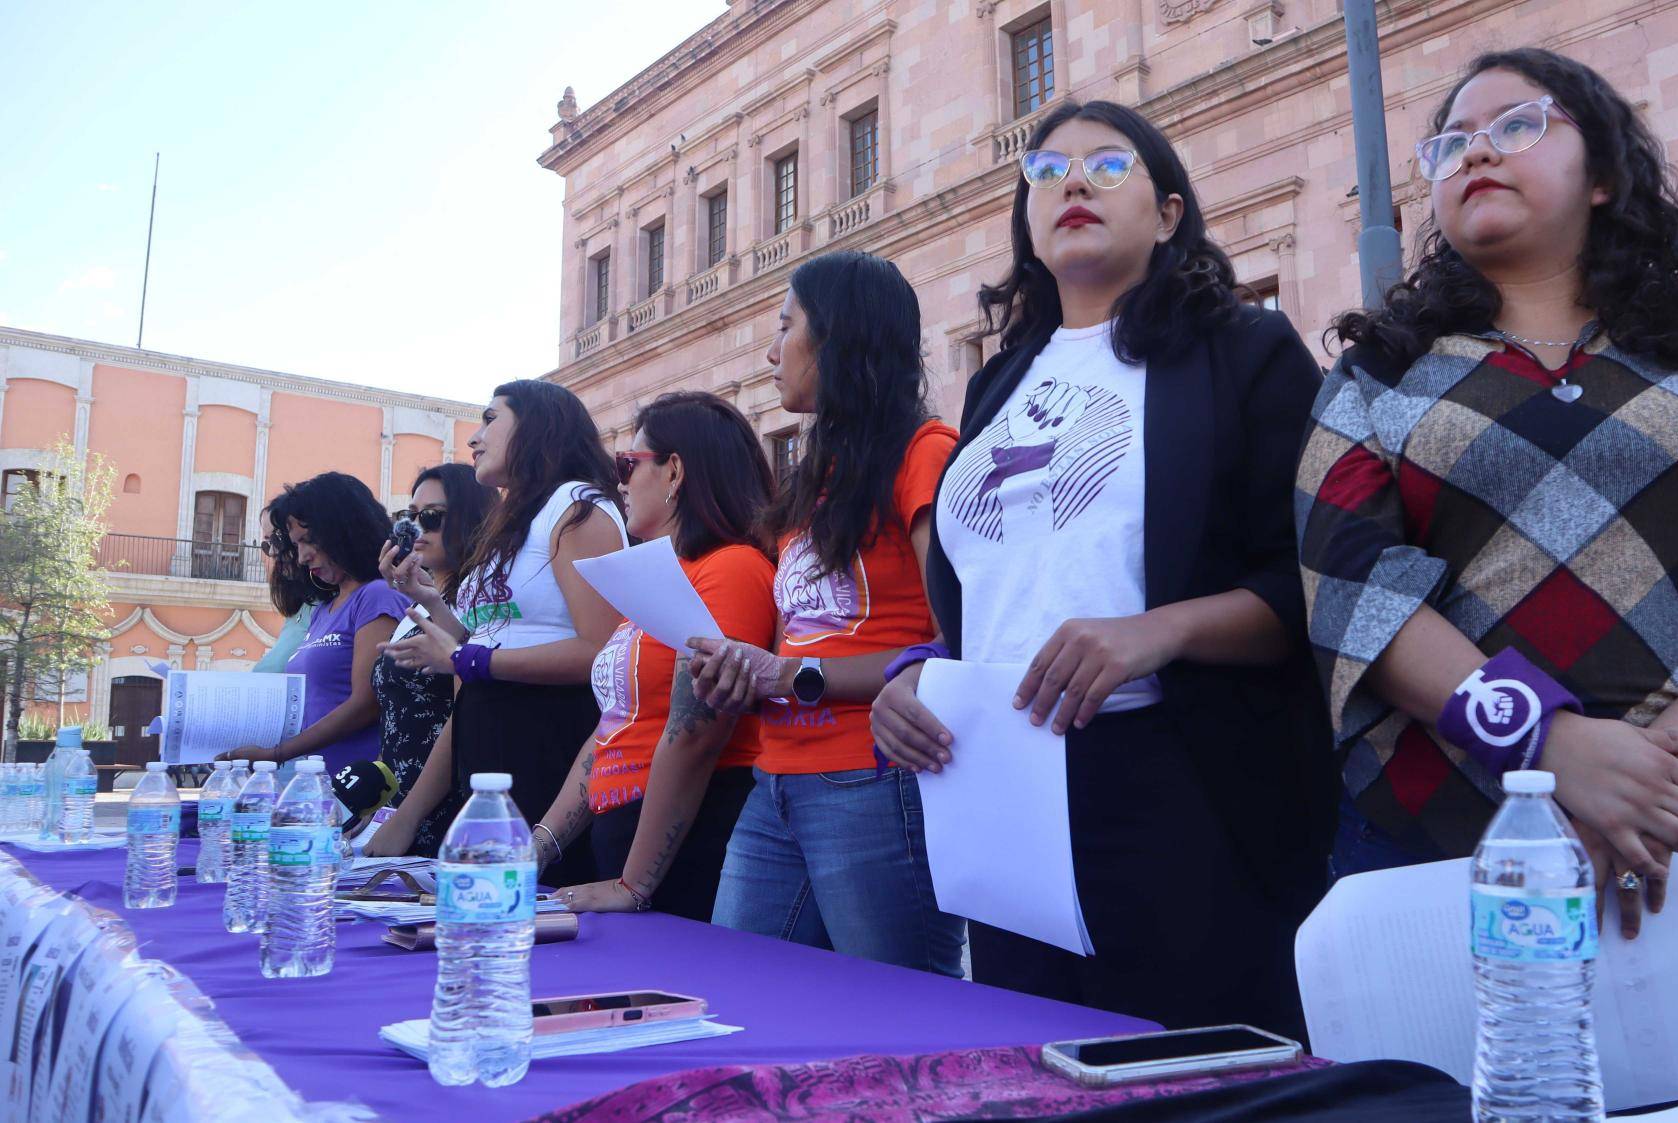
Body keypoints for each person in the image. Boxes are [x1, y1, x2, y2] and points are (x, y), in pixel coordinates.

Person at [1295, 48, 1678, 1088]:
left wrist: (1648, 779)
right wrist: (1547, 746)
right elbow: (1350, 588)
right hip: (1435, 846)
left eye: (1516, 125)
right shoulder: (1371, 375)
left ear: (1601, 171)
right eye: (1451, 141)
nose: (1475, 152)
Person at [868, 100, 1332, 1038]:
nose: (1072, 182)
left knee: (1191, 1078)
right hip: (1003, 793)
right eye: (1046, 172)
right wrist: (918, 675)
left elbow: (1315, 583)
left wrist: (1162, 631)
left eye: (1107, 166)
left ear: (1167, 214)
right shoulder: (1001, 382)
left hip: (1176, 785)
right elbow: (1004, 585)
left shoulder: (1244, 351)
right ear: (1028, 224)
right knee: (1029, 1072)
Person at [685, 250, 965, 977]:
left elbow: (956, 637)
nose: (772, 353)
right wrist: (740, 671)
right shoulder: (810, 480)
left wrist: (790, 671)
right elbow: (800, 641)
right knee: (735, 993)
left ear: (839, 337)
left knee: (903, 1019)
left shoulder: (924, 451)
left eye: (787, 327)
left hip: (875, 780)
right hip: (775, 779)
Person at [368, 380, 627, 886]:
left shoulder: (578, 508)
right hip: (487, 753)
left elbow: (602, 652)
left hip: (549, 746)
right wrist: (427, 599)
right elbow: (484, 642)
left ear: (536, 427)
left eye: (490, 419)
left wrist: (474, 663)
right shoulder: (514, 522)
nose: (474, 437)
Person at [533, 392, 777, 917]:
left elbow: (697, 735)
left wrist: (634, 884)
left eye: (629, 463)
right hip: (628, 833)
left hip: (688, 837)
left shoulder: (732, 568)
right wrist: (542, 844)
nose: (618, 481)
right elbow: (615, 726)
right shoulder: (666, 579)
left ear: (674, 472)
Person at [221, 473, 410, 772]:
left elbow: (366, 703)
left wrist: (276, 753)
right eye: (296, 545)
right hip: (315, 782)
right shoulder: (324, 609)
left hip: (358, 784)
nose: (301, 557)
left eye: (308, 541)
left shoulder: (377, 596)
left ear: (344, 529)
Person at [368, 463, 496, 856]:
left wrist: (408, 816)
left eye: (431, 518)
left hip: (439, 805)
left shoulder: (484, 598)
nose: (417, 532)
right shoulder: (424, 601)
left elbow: (464, 703)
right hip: (398, 801)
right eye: (410, 518)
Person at [250, 506, 316, 673]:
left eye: (277, 539)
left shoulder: (328, 605)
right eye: (266, 544)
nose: (272, 552)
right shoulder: (299, 607)